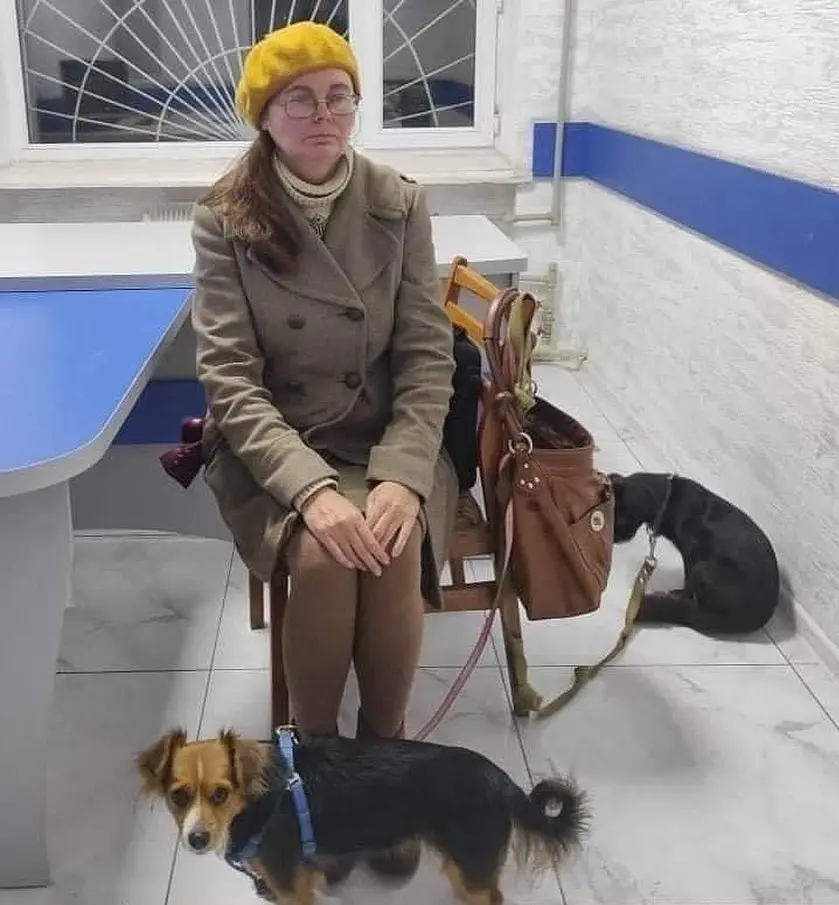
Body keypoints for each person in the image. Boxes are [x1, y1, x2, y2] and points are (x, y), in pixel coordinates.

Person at [188, 20, 459, 882]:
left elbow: (427, 358)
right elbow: (230, 381)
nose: (322, 115)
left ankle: (386, 768)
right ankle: (318, 772)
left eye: (339, 96)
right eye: (298, 99)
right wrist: (311, 490)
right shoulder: (225, 216)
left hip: (387, 438)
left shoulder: (398, 202)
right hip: (277, 447)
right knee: (323, 552)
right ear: (263, 116)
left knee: (391, 540)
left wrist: (403, 477)